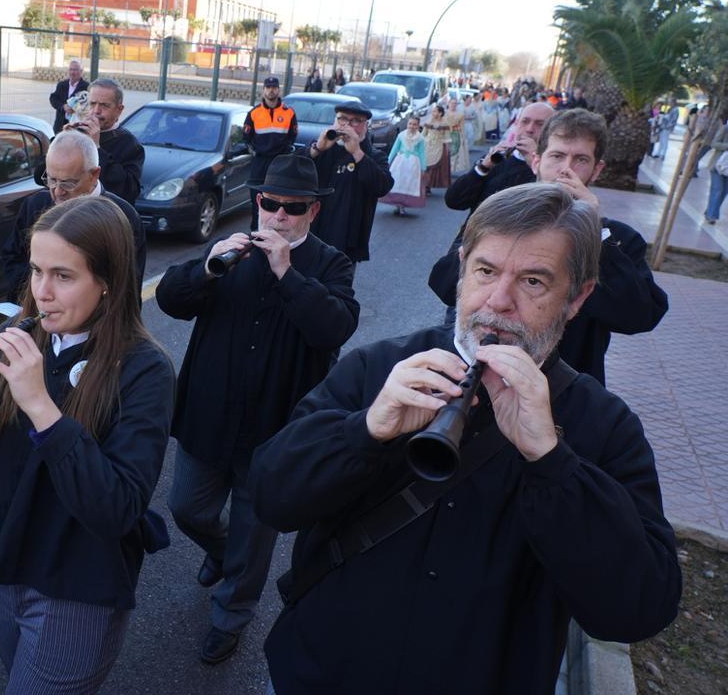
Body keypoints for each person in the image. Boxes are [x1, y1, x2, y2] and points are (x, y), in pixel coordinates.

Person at [250, 183, 682, 695]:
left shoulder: (604, 425)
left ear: (577, 297)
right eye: (485, 271)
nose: (498, 302)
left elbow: (638, 610)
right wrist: (364, 431)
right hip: (321, 675)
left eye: (534, 282)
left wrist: (551, 462)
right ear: (461, 268)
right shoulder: (379, 367)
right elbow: (270, 497)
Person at [0, 196, 175, 694]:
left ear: (108, 280)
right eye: (36, 271)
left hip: (73, 589)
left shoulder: (145, 370)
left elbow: (116, 508)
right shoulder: (18, 333)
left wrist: (40, 404)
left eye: (63, 276)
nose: (42, 292)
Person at [158, 154, 359, 666]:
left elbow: (334, 328)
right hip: (211, 413)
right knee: (188, 508)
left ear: (312, 212)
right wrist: (206, 268)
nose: (278, 217)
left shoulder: (331, 264)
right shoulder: (229, 254)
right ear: (257, 202)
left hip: (276, 427)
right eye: (270, 204)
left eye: (293, 208)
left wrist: (287, 273)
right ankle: (220, 550)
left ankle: (230, 616)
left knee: (255, 535)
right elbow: (169, 301)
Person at [430, 109, 668, 384]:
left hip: (564, 392)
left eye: (580, 159)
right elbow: (443, 282)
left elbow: (641, 316)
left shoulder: (618, 240)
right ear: (536, 161)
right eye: (557, 156)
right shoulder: (498, 217)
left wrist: (596, 231)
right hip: (474, 379)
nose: (566, 169)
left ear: (597, 169)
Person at [3, 130, 146, 301]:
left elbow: (125, 290)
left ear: (94, 175)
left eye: (68, 183)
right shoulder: (34, 205)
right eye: (51, 179)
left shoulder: (124, 217)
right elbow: (13, 257)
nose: (57, 191)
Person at [301, 101, 393, 262]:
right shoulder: (322, 149)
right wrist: (316, 149)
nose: (347, 126)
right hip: (312, 232)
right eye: (342, 119)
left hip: (347, 239)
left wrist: (357, 153)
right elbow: (291, 172)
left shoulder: (375, 156)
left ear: (366, 126)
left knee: (338, 285)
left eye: (355, 121)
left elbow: (382, 186)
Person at [443, 101, 555, 216]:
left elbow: (550, 211)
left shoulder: (554, 168)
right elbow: (454, 201)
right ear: (516, 124)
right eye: (525, 121)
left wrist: (535, 162)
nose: (530, 129)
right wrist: (482, 168)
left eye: (540, 124)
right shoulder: (499, 158)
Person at [61, 77, 144, 204]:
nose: (96, 111)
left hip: (105, 217)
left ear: (119, 110)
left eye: (104, 105)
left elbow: (128, 191)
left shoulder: (130, 144)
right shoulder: (77, 133)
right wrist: (61, 142)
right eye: (92, 104)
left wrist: (96, 147)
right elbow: (42, 177)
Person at [244, 76, 300, 229]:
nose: (271, 90)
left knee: (278, 200)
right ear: (263, 91)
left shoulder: (289, 113)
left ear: (278, 90)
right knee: (256, 198)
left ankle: (276, 230)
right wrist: (255, 150)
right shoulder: (254, 113)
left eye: (274, 87)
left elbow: (292, 136)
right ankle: (256, 232)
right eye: (268, 87)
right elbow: (246, 137)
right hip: (260, 162)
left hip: (280, 162)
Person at [379, 116, 428, 216]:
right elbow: (395, 149)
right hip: (400, 161)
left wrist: (423, 167)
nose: (412, 126)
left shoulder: (420, 138)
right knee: (398, 181)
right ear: (407, 124)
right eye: (410, 124)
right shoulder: (401, 135)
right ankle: (397, 204)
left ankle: (403, 205)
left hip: (413, 162)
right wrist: (388, 161)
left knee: (408, 182)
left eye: (414, 124)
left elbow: (422, 152)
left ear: (418, 126)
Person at [49, 59, 89, 134]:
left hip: (77, 126)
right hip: (60, 125)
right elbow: (53, 98)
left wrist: (76, 109)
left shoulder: (87, 86)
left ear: (81, 71)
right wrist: (63, 106)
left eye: (75, 70)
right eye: (71, 69)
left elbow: (89, 106)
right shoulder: (61, 85)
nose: (72, 72)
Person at [421, 103, 451, 192]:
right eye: (433, 111)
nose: (433, 113)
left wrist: (447, 148)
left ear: (440, 113)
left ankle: (430, 184)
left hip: (438, 146)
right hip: (428, 145)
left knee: (434, 167)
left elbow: (447, 137)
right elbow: (423, 134)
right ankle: (425, 186)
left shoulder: (445, 123)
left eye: (435, 111)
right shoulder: (429, 121)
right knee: (426, 165)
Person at [704, 115, 728, 225]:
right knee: (717, 189)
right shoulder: (725, 128)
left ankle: (710, 210)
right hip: (718, 165)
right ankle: (711, 215)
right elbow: (714, 143)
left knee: (724, 192)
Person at [444, 97, 469, 174]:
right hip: (445, 134)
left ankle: (452, 169)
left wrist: (463, 137)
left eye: (455, 103)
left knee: (454, 152)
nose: (453, 105)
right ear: (449, 104)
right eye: (452, 103)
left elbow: (462, 127)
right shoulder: (444, 113)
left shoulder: (460, 114)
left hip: (455, 134)